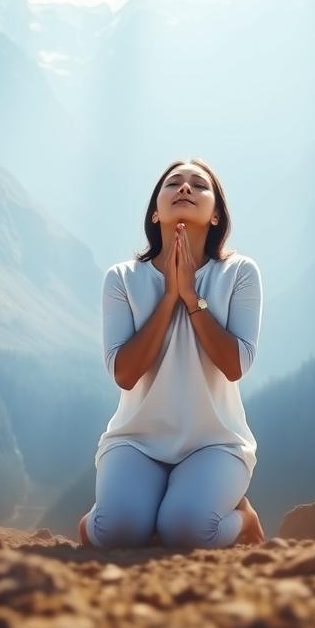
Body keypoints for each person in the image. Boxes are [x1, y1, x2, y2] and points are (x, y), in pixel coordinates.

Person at [78, 157, 266, 550]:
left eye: (199, 186)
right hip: (135, 441)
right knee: (118, 532)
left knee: (187, 531)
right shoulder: (122, 278)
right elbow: (125, 375)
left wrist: (192, 298)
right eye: (173, 183)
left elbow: (235, 366)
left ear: (216, 215)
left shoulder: (240, 274)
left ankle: (244, 518)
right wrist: (168, 297)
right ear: (154, 211)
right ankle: (100, 521)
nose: (184, 188)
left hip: (216, 443)